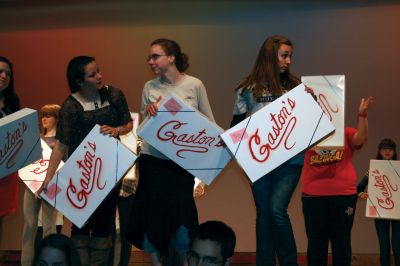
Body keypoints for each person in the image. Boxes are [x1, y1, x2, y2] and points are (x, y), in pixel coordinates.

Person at [126, 38, 215, 266]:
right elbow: (144, 130)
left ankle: (185, 261)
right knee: (153, 215)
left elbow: (208, 122)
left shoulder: (194, 85)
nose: (150, 61)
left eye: (155, 56)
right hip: (152, 160)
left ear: (171, 57)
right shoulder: (149, 87)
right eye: (149, 57)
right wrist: (149, 113)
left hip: (180, 164)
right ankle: (156, 263)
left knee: (183, 217)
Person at [38, 55, 133, 266]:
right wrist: (49, 177)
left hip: (109, 170)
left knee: (105, 222)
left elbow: (128, 124)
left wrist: (117, 130)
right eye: (92, 74)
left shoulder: (114, 94)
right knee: (80, 223)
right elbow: (62, 145)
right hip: (83, 172)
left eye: (98, 71)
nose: (99, 76)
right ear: (79, 81)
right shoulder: (70, 106)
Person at [230, 35, 308, 266]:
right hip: (259, 162)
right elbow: (235, 128)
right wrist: (241, 157)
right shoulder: (247, 89)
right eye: (284, 55)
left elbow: (308, 124)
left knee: (276, 210)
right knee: (264, 216)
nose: (288, 61)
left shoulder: (296, 87)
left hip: (290, 160)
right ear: (270, 56)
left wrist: (311, 103)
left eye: (290, 56)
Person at [301, 96, 373, 266]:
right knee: (316, 247)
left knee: (341, 245)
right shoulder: (306, 133)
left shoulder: (344, 132)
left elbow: (360, 139)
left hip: (343, 196)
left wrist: (362, 116)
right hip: (313, 196)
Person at [21, 104, 63, 266]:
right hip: (31, 186)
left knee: (49, 227)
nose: (44, 118)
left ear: (56, 119)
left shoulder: (61, 142)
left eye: (49, 115)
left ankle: (49, 262)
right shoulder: (35, 139)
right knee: (29, 226)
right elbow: (27, 164)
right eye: (43, 115)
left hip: (51, 186)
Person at [357, 138, 399, 266]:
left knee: (398, 247)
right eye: (384, 149)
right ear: (380, 151)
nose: (387, 151)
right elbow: (359, 188)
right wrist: (361, 194)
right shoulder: (373, 170)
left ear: (394, 151)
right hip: (380, 212)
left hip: (397, 212)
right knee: (384, 246)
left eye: (390, 149)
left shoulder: (398, 169)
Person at [0, 56, 20, 241]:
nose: (4, 76)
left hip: (5, 170)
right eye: (0, 72)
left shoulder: (13, 100)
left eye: (8, 73)